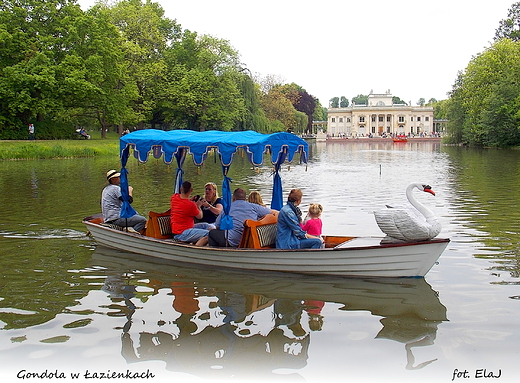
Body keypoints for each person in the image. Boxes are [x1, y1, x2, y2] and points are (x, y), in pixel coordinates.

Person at [208, 188, 277, 247]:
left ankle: (217, 254)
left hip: (233, 242)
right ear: (245, 198)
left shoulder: (227, 208)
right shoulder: (254, 207)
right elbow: (273, 212)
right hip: (251, 240)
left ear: (233, 198)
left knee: (212, 233)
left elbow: (217, 225)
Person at [170, 181, 212, 246]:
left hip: (178, 230)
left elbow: (182, 202)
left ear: (181, 189)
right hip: (182, 233)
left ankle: (193, 242)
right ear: (191, 190)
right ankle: (195, 249)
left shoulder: (174, 197)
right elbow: (200, 216)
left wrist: (190, 200)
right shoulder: (191, 205)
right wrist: (198, 206)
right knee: (209, 234)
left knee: (206, 225)